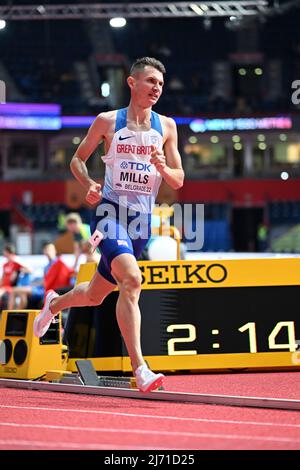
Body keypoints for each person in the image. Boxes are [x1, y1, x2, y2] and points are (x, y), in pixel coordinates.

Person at [34, 57, 184, 393]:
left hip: (141, 222)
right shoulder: (107, 121)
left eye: (160, 84)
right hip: (109, 213)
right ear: (132, 83)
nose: (156, 88)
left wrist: (162, 168)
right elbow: (77, 159)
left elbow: (179, 179)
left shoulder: (168, 127)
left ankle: (53, 305)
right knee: (132, 279)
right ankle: (141, 368)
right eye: (150, 81)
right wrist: (88, 184)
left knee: (94, 296)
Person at [8, 243, 74, 310]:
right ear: (44, 252)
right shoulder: (47, 266)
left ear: (55, 251)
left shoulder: (60, 263)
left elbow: (68, 275)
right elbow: (45, 280)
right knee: (21, 294)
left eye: (50, 249)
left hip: (46, 290)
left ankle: (10, 315)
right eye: (47, 250)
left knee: (15, 290)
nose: (48, 252)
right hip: (42, 288)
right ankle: (17, 315)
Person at [0, 243, 32, 308]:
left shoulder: (16, 262)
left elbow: (29, 270)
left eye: (5, 251)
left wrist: (18, 271)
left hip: (10, 287)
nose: (4, 253)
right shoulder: (5, 264)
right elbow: (3, 277)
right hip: (4, 287)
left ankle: (8, 315)